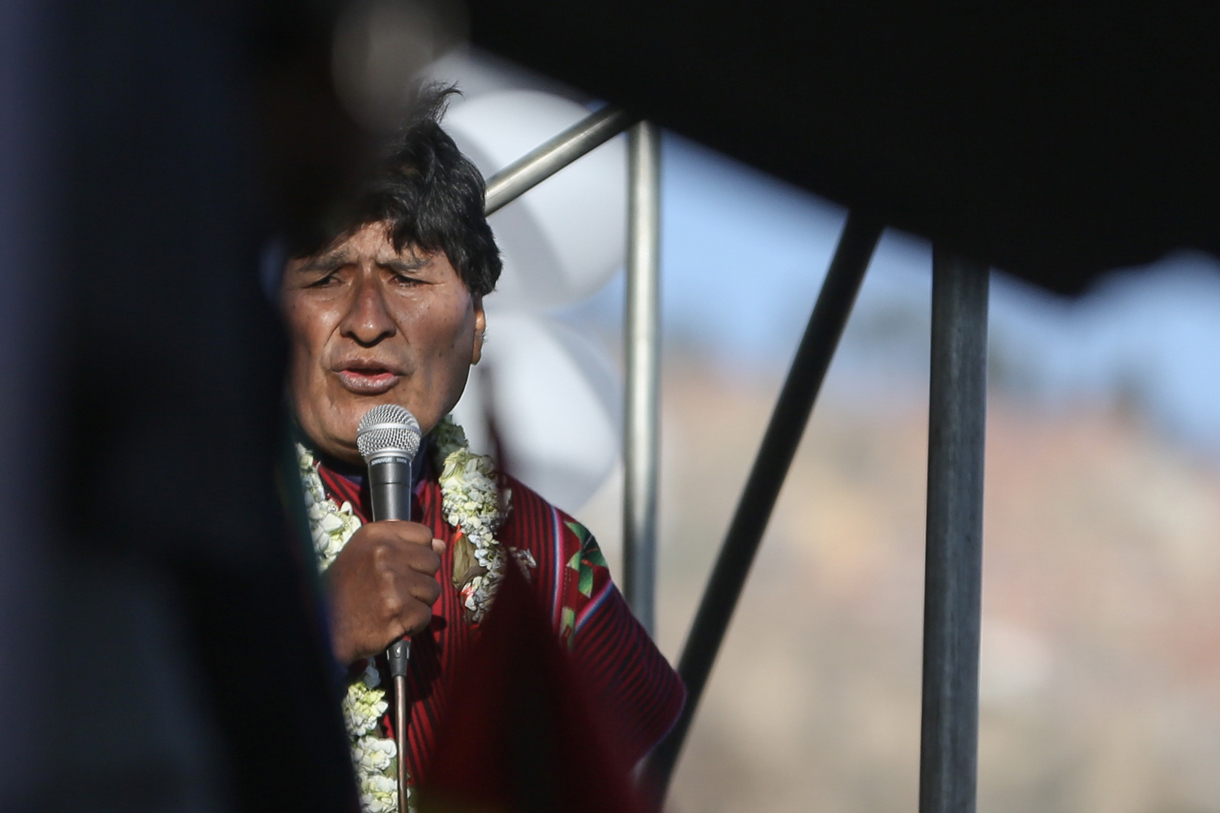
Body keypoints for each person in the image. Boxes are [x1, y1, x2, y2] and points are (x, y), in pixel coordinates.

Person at [279, 85, 684, 811]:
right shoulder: (205, 512)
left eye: (407, 277)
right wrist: (320, 633)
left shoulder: (548, 554)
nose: (368, 320)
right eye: (327, 277)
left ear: (476, 324)